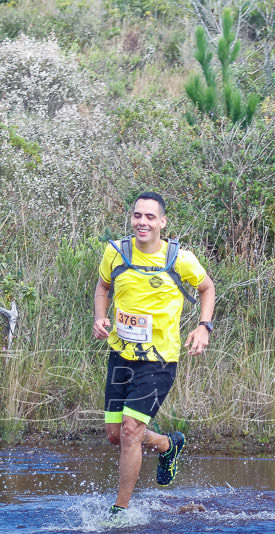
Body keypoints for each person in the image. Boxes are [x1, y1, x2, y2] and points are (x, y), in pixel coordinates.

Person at [92, 192, 215, 517]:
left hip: (159, 360)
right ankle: (167, 444)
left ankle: (119, 511)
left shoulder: (179, 258)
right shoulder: (116, 252)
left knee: (132, 430)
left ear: (162, 222)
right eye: (137, 216)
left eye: (149, 217)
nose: (142, 222)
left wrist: (203, 327)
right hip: (121, 356)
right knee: (116, 435)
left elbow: (207, 288)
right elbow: (103, 287)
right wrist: (100, 317)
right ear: (131, 219)